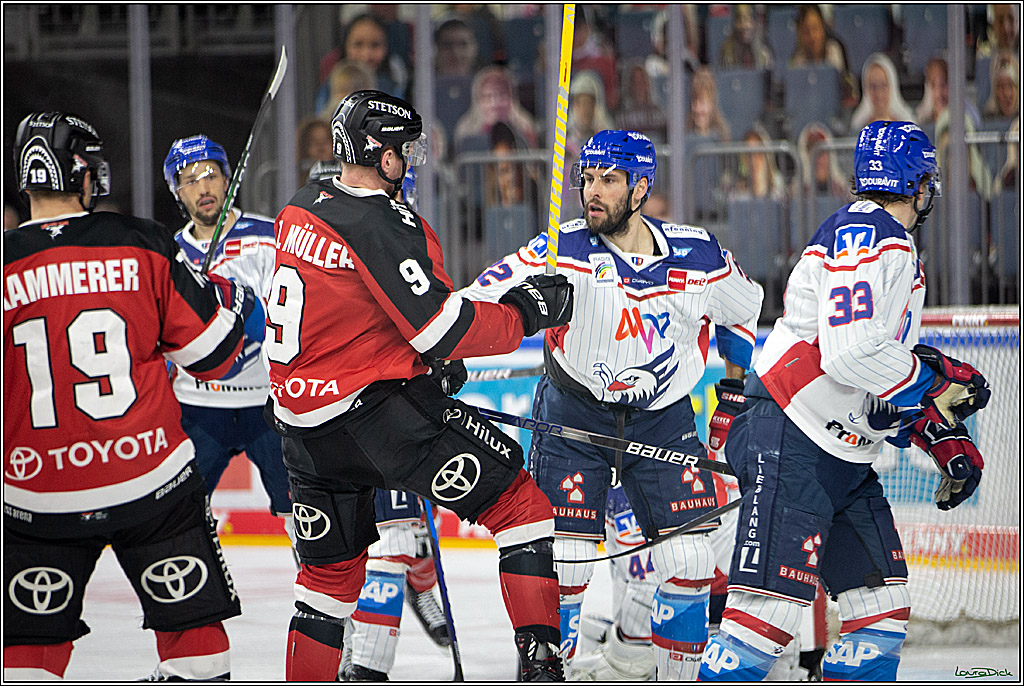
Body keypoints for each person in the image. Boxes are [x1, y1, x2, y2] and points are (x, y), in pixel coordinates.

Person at [267, 90, 574, 682]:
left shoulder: (302, 205)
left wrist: (419, 362)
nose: (409, 162)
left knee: (327, 584)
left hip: (302, 432)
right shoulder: (381, 221)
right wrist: (525, 313)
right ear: (383, 156)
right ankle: (541, 667)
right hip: (375, 421)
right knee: (521, 504)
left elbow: (344, 313)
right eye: (405, 151)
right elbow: (441, 327)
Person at [461, 130, 764, 680]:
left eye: (609, 180)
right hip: (574, 415)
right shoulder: (559, 249)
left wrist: (734, 392)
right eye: (587, 179)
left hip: (664, 418)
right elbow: (479, 297)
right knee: (568, 565)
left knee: (691, 561)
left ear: (641, 187)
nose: (592, 192)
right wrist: (441, 347)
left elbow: (745, 307)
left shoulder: (699, 254)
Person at [698, 121, 991, 681]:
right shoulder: (875, 235)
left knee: (881, 612)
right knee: (762, 622)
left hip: (840, 457)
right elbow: (851, 354)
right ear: (917, 184)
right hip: (793, 440)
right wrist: (933, 385)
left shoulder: (880, 239)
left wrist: (932, 429)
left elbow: (870, 377)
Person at [4, 112, 265, 680]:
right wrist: (231, 298)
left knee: (26, 652)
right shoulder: (141, 243)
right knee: (196, 642)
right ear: (86, 175)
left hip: (36, 492)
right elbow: (216, 356)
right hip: (150, 481)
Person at [162, 135, 294, 545]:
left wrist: (247, 309)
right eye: (189, 180)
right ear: (176, 191)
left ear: (227, 179)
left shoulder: (270, 237)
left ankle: (318, 588)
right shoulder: (168, 254)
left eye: (210, 174)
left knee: (302, 517)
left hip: (269, 405)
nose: (202, 187)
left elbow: (293, 320)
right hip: (198, 409)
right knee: (181, 520)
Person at [454, 65, 540, 155]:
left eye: (502, 95)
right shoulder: (466, 130)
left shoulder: (526, 127)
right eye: (488, 97)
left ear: (512, 98)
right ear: (478, 101)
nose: (495, 104)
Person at [789, 5, 858, 110]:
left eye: (815, 28)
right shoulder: (796, 59)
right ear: (800, 34)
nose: (812, 36)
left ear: (823, 28)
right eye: (806, 31)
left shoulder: (834, 49)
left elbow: (842, 88)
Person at [850, 53, 915, 132]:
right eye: (873, 86)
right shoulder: (857, 127)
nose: (878, 93)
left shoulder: (908, 126)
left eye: (884, 85)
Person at [615, 61, 668, 144]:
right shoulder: (622, 118)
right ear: (630, 86)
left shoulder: (660, 114)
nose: (639, 86)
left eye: (642, 81)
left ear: (648, 84)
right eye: (635, 82)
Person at [718, 4, 773, 71]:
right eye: (739, 19)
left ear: (755, 22)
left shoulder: (764, 52)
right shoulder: (726, 52)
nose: (744, 25)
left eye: (748, 19)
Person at [296, 117, 337, 188]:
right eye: (314, 142)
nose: (321, 148)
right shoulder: (295, 179)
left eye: (326, 141)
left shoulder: (345, 177)